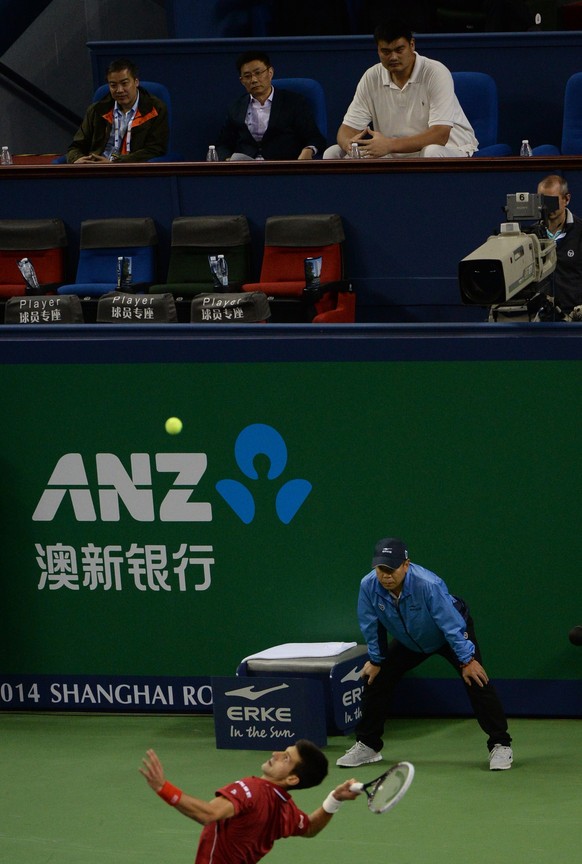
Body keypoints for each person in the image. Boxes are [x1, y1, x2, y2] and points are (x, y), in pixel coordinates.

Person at [337, 537, 513, 771]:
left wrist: (467, 661)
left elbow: (450, 624)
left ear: (406, 565)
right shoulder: (368, 586)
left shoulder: (428, 584)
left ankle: (500, 744)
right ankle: (368, 745)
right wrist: (376, 660)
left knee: (476, 678)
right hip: (410, 641)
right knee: (376, 678)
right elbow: (371, 623)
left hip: (446, 634)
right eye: (381, 569)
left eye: (392, 569)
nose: (386, 575)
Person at [140, 741, 359, 863]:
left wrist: (163, 788)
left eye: (286, 758)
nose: (276, 753)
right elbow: (310, 827)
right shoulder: (286, 808)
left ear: (292, 778)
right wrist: (335, 799)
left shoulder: (251, 790)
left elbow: (208, 814)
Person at [323, 20, 477, 159]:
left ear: (412, 45)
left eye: (399, 49)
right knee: (333, 152)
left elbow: (440, 135)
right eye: (386, 52)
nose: (393, 57)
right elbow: (347, 129)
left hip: (449, 148)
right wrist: (349, 144)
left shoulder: (436, 72)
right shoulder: (371, 76)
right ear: (378, 51)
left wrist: (389, 145)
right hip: (394, 151)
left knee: (431, 152)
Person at [214, 51, 327, 161]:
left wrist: (308, 150)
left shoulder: (293, 103)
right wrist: (227, 160)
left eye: (258, 73)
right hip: (246, 170)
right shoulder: (236, 107)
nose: (253, 80)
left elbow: (315, 138)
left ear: (270, 72)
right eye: (247, 76)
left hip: (282, 168)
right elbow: (223, 144)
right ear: (242, 81)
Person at [67, 58, 169, 163]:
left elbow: (155, 149)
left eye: (124, 83)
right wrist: (77, 159)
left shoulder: (154, 109)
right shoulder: (96, 110)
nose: (119, 90)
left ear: (136, 82)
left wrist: (114, 163)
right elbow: (75, 146)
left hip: (130, 170)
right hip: (95, 169)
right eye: (113, 85)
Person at [536, 174, 582, 315]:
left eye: (552, 201)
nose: (547, 206)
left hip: (575, 318)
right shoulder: (531, 236)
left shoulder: (580, 231)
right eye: (542, 200)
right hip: (539, 318)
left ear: (566, 199)